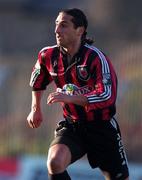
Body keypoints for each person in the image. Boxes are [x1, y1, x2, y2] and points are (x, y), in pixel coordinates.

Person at [27, 8, 129, 180]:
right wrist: (35, 109)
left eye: (64, 25)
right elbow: (37, 81)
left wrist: (71, 98)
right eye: (56, 25)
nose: (57, 30)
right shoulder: (48, 55)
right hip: (73, 126)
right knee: (55, 162)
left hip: (102, 128)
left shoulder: (96, 58)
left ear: (79, 30)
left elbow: (107, 96)